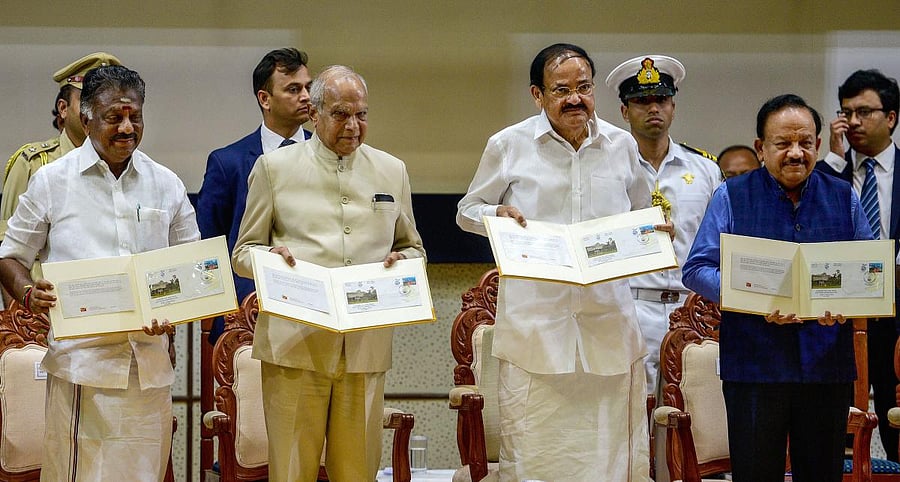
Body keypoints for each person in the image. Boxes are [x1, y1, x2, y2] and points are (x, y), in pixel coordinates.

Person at [457, 43, 673, 482]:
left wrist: (651, 231)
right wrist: (493, 214)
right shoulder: (508, 144)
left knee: (607, 457)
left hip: (606, 326)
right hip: (536, 329)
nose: (576, 98)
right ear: (538, 95)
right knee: (536, 453)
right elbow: (466, 209)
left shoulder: (621, 145)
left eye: (584, 87)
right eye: (562, 90)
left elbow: (636, 216)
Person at [0, 65, 199, 481]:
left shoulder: (166, 184)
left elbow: (193, 265)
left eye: (135, 116)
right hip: (81, 369)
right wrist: (28, 293)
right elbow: (10, 257)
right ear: (86, 118)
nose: (127, 127)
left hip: (148, 368)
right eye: (114, 117)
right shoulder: (52, 181)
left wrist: (176, 309)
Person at [232, 65, 425, 481]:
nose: (353, 126)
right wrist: (271, 261)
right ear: (314, 115)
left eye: (362, 114)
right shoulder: (274, 168)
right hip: (294, 347)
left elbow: (413, 249)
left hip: (365, 347)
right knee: (291, 472)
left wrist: (402, 264)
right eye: (340, 114)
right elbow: (243, 252)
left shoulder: (393, 170)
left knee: (357, 471)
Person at [683, 94, 872, 481]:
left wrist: (848, 301)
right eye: (783, 144)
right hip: (754, 368)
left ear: (818, 145)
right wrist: (752, 298)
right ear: (761, 148)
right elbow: (696, 269)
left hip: (826, 369)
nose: (796, 153)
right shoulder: (731, 196)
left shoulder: (845, 196)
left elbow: (870, 272)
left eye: (805, 143)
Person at [605, 55, 720, 393]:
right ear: (625, 111)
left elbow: (720, 244)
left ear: (673, 107)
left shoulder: (705, 170)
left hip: (692, 308)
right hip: (631, 305)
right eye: (641, 101)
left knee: (693, 423)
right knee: (633, 420)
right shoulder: (607, 170)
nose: (653, 108)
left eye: (661, 100)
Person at [197, 47, 313, 344]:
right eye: (293, 89)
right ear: (265, 99)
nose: (306, 97)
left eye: (308, 88)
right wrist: (234, 306)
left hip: (316, 306)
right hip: (247, 312)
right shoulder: (228, 162)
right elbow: (212, 245)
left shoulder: (328, 154)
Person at [815, 68, 900, 461]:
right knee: (833, 423)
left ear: (892, 118)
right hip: (840, 313)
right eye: (846, 112)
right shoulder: (829, 173)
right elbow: (810, 224)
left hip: (897, 315)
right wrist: (833, 158)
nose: (852, 122)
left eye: (864, 111)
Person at [2, 52, 121, 236]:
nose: (100, 107)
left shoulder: (126, 166)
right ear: (63, 108)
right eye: (89, 99)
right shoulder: (33, 164)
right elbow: (9, 247)